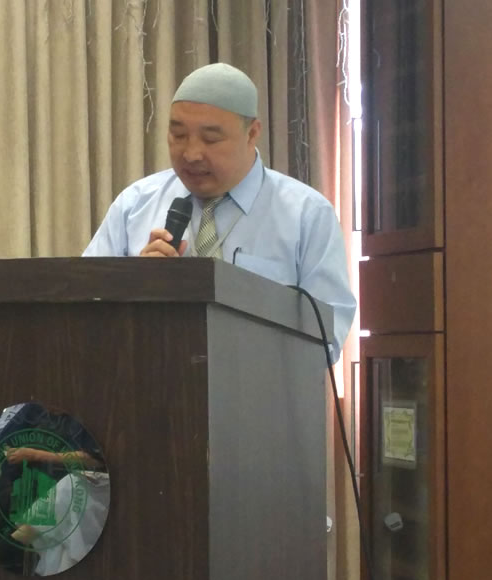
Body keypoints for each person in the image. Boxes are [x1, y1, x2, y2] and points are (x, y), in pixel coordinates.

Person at [83, 62, 356, 360]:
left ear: (252, 133)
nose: (191, 154)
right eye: (178, 135)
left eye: (210, 139)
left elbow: (327, 337)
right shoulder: (135, 204)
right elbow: (83, 309)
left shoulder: (307, 215)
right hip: (152, 378)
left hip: (259, 385)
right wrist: (133, 285)